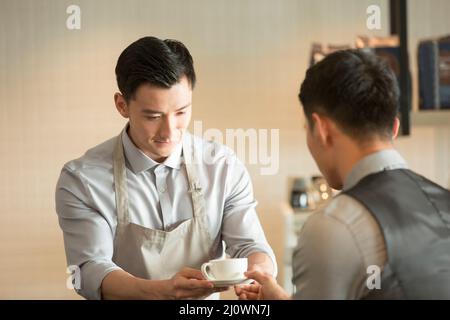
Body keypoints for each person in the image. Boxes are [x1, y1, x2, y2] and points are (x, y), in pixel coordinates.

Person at [55, 36, 276, 300]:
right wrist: (162, 291)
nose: (170, 131)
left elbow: (251, 245)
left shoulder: (222, 167)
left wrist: (259, 273)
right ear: (122, 105)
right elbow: (89, 269)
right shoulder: (82, 179)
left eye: (181, 112)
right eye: (153, 116)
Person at [235, 49, 450, 300]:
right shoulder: (443, 200)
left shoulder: (332, 226)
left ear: (322, 129)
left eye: (307, 129)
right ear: (394, 127)